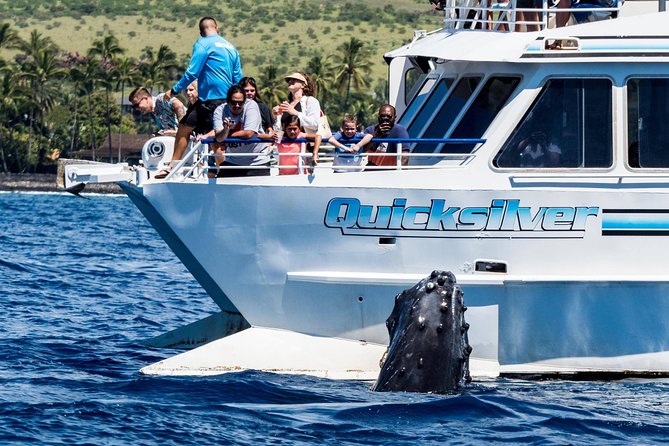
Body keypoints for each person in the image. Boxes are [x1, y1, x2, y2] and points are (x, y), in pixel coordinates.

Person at [156, 17, 243, 179]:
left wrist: (174, 91)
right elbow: (238, 79)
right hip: (208, 101)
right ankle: (172, 166)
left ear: (201, 32)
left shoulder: (202, 44)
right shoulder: (232, 48)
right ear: (217, 28)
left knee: (216, 141)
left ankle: (229, 175)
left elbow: (192, 73)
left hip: (217, 102)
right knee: (184, 127)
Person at [211, 85, 271, 177]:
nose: (237, 106)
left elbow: (249, 133)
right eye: (233, 102)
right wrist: (226, 129)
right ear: (227, 101)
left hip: (257, 162)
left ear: (245, 101)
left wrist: (228, 135)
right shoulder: (220, 111)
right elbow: (219, 138)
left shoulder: (251, 106)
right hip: (232, 161)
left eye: (240, 103)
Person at [363, 104, 410, 169]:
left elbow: (404, 156)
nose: (385, 119)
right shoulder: (370, 130)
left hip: (391, 171)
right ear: (378, 116)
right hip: (371, 170)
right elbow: (363, 150)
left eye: (389, 116)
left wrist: (400, 174)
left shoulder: (399, 130)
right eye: (382, 116)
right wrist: (376, 135)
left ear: (395, 117)